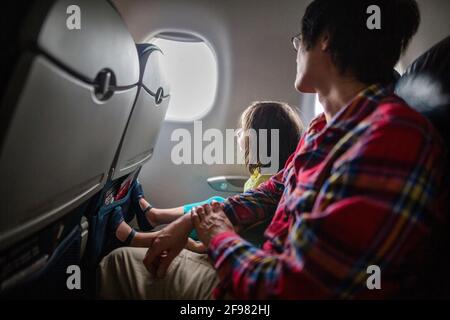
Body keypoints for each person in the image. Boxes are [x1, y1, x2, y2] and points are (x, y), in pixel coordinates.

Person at [98, 0, 448, 299]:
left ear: (325, 38)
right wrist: (194, 219)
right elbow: (274, 192)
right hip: (262, 264)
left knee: (119, 264)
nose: (296, 51)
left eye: (299, 41)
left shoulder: (391, 140)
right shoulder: (323, 129)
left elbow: (289, 289)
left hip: (262, 292)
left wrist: (218, 236)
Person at [109, 101, 302, 251]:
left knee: (214, 207)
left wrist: (201, 247)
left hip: (248, 242)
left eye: (244, 131)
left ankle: (136, 238)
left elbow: (244, 228)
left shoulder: (267, 181)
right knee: (217, 202)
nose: (238, 134)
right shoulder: (265, 175)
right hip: (239, 232)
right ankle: (153, 216)